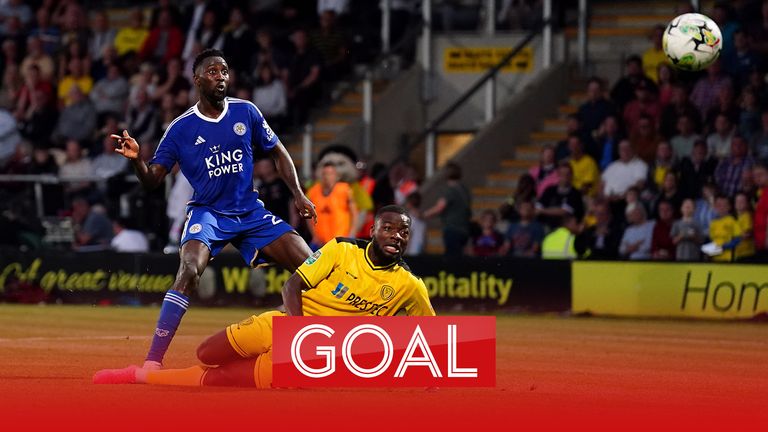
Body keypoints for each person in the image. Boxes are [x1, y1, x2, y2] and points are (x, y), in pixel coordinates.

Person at [109, 49, 316, 370]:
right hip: (209, 214)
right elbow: (152, 180)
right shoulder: (180, 129)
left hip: (250, 212)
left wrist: (299, 194)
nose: (221, 77)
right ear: (197, 80)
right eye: (213, 72)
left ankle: (312, 344)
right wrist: (137, 159)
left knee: (311, 268)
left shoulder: (246, 112)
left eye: (224, 71)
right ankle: (153, 361)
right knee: (189, 271)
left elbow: (278, 151)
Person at [93, 206, 435, 388]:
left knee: (218, 380)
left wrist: (429, 378)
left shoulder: (410, 285)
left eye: (404, 231)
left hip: (317, 358)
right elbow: (292, 287)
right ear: (373, 230)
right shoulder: (342, 249)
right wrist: (299, 336)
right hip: (287, 327)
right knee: (207, 353)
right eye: (388, 228)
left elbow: (431, 339)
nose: (396, 235)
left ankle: (139, 375)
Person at [423, 162, 472, 257]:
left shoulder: (450, 190)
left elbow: (439, 207)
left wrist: (424, 215)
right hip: (464, 229)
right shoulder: (463, 189)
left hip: (453, 229)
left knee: (452, 258)